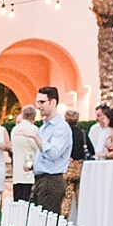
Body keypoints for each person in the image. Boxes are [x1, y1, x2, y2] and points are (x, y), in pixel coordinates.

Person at [31, 87, 72, 215]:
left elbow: (53, 154)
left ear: (53, 102)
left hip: (52, 180)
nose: (38, 106)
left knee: (47, 222)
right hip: (40, 179)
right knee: (36, 220)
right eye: (37, 102)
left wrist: (35, 137)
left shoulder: (61, 127)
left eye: (42, 102)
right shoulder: (43, 127)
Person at [10, 105, 41, 203]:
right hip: (30, 171)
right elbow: (38, 148)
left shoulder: (15, 130)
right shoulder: (33, 129)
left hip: (17, 171)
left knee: (18, 201)